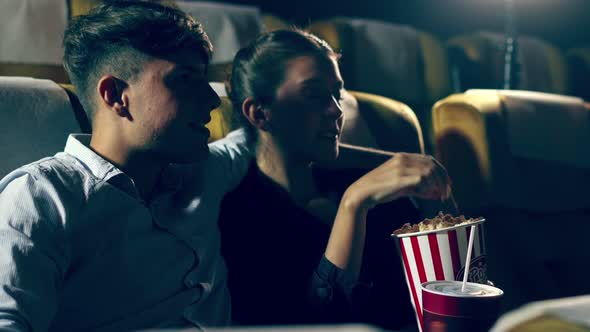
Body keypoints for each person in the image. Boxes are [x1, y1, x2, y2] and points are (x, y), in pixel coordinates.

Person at [0, 2, 252, 331]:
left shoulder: (202, 171)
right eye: (186, 79)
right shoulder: (41, 198)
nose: (211, 100)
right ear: (117, 94)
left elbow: (260, 135)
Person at [219, 29, 451, 330]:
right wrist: (353, 206)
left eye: (337, 93)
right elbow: (324, 321)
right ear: (260, 113)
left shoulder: (372, 188)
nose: (336, 110)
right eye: (314, 95)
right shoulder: (240, 214)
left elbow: (452, 287)